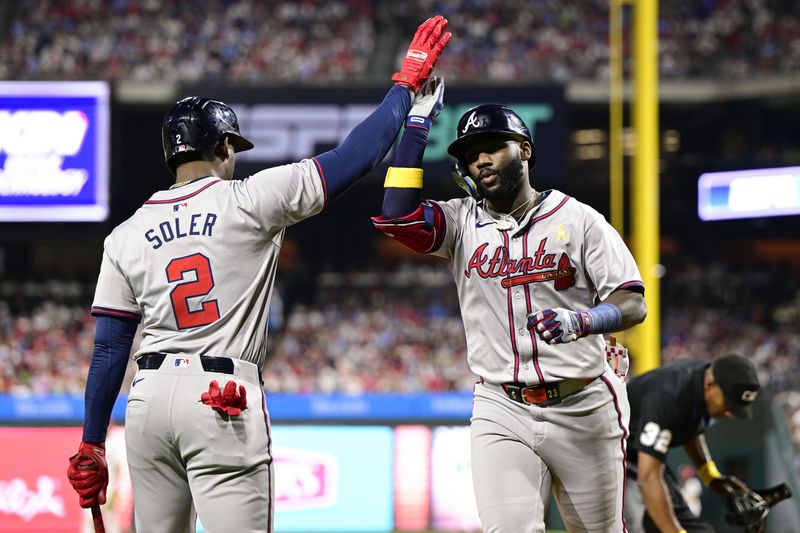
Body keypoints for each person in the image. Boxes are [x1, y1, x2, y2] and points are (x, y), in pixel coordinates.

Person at [66, 16, 451, 533]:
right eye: (233, 149)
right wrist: (403, 91)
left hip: (148, 401)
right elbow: (354, 158)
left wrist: (91, 441)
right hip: (220, 396)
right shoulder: (248, 199)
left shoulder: (127, 232)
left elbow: (111, 347)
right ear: (222, 147)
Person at [371, 101, 647, 531]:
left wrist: (583, 321)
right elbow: (396, 215)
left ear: (525, 150)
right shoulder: (462, 221)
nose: (479, 159)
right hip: (502, 407)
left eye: (492, 147)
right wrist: (418, 124)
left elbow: (633, 301)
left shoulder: (579, 220)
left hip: (583, 404)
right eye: (469, 153)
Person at [624, 353, 762, 533]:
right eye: (728, 404)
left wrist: (710, 475)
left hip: (645, 460)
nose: (730, 414)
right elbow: (647, 478)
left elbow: (690, 428)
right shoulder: (670, 396)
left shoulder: (702, 380)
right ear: (710, 384)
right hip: (615, 456)